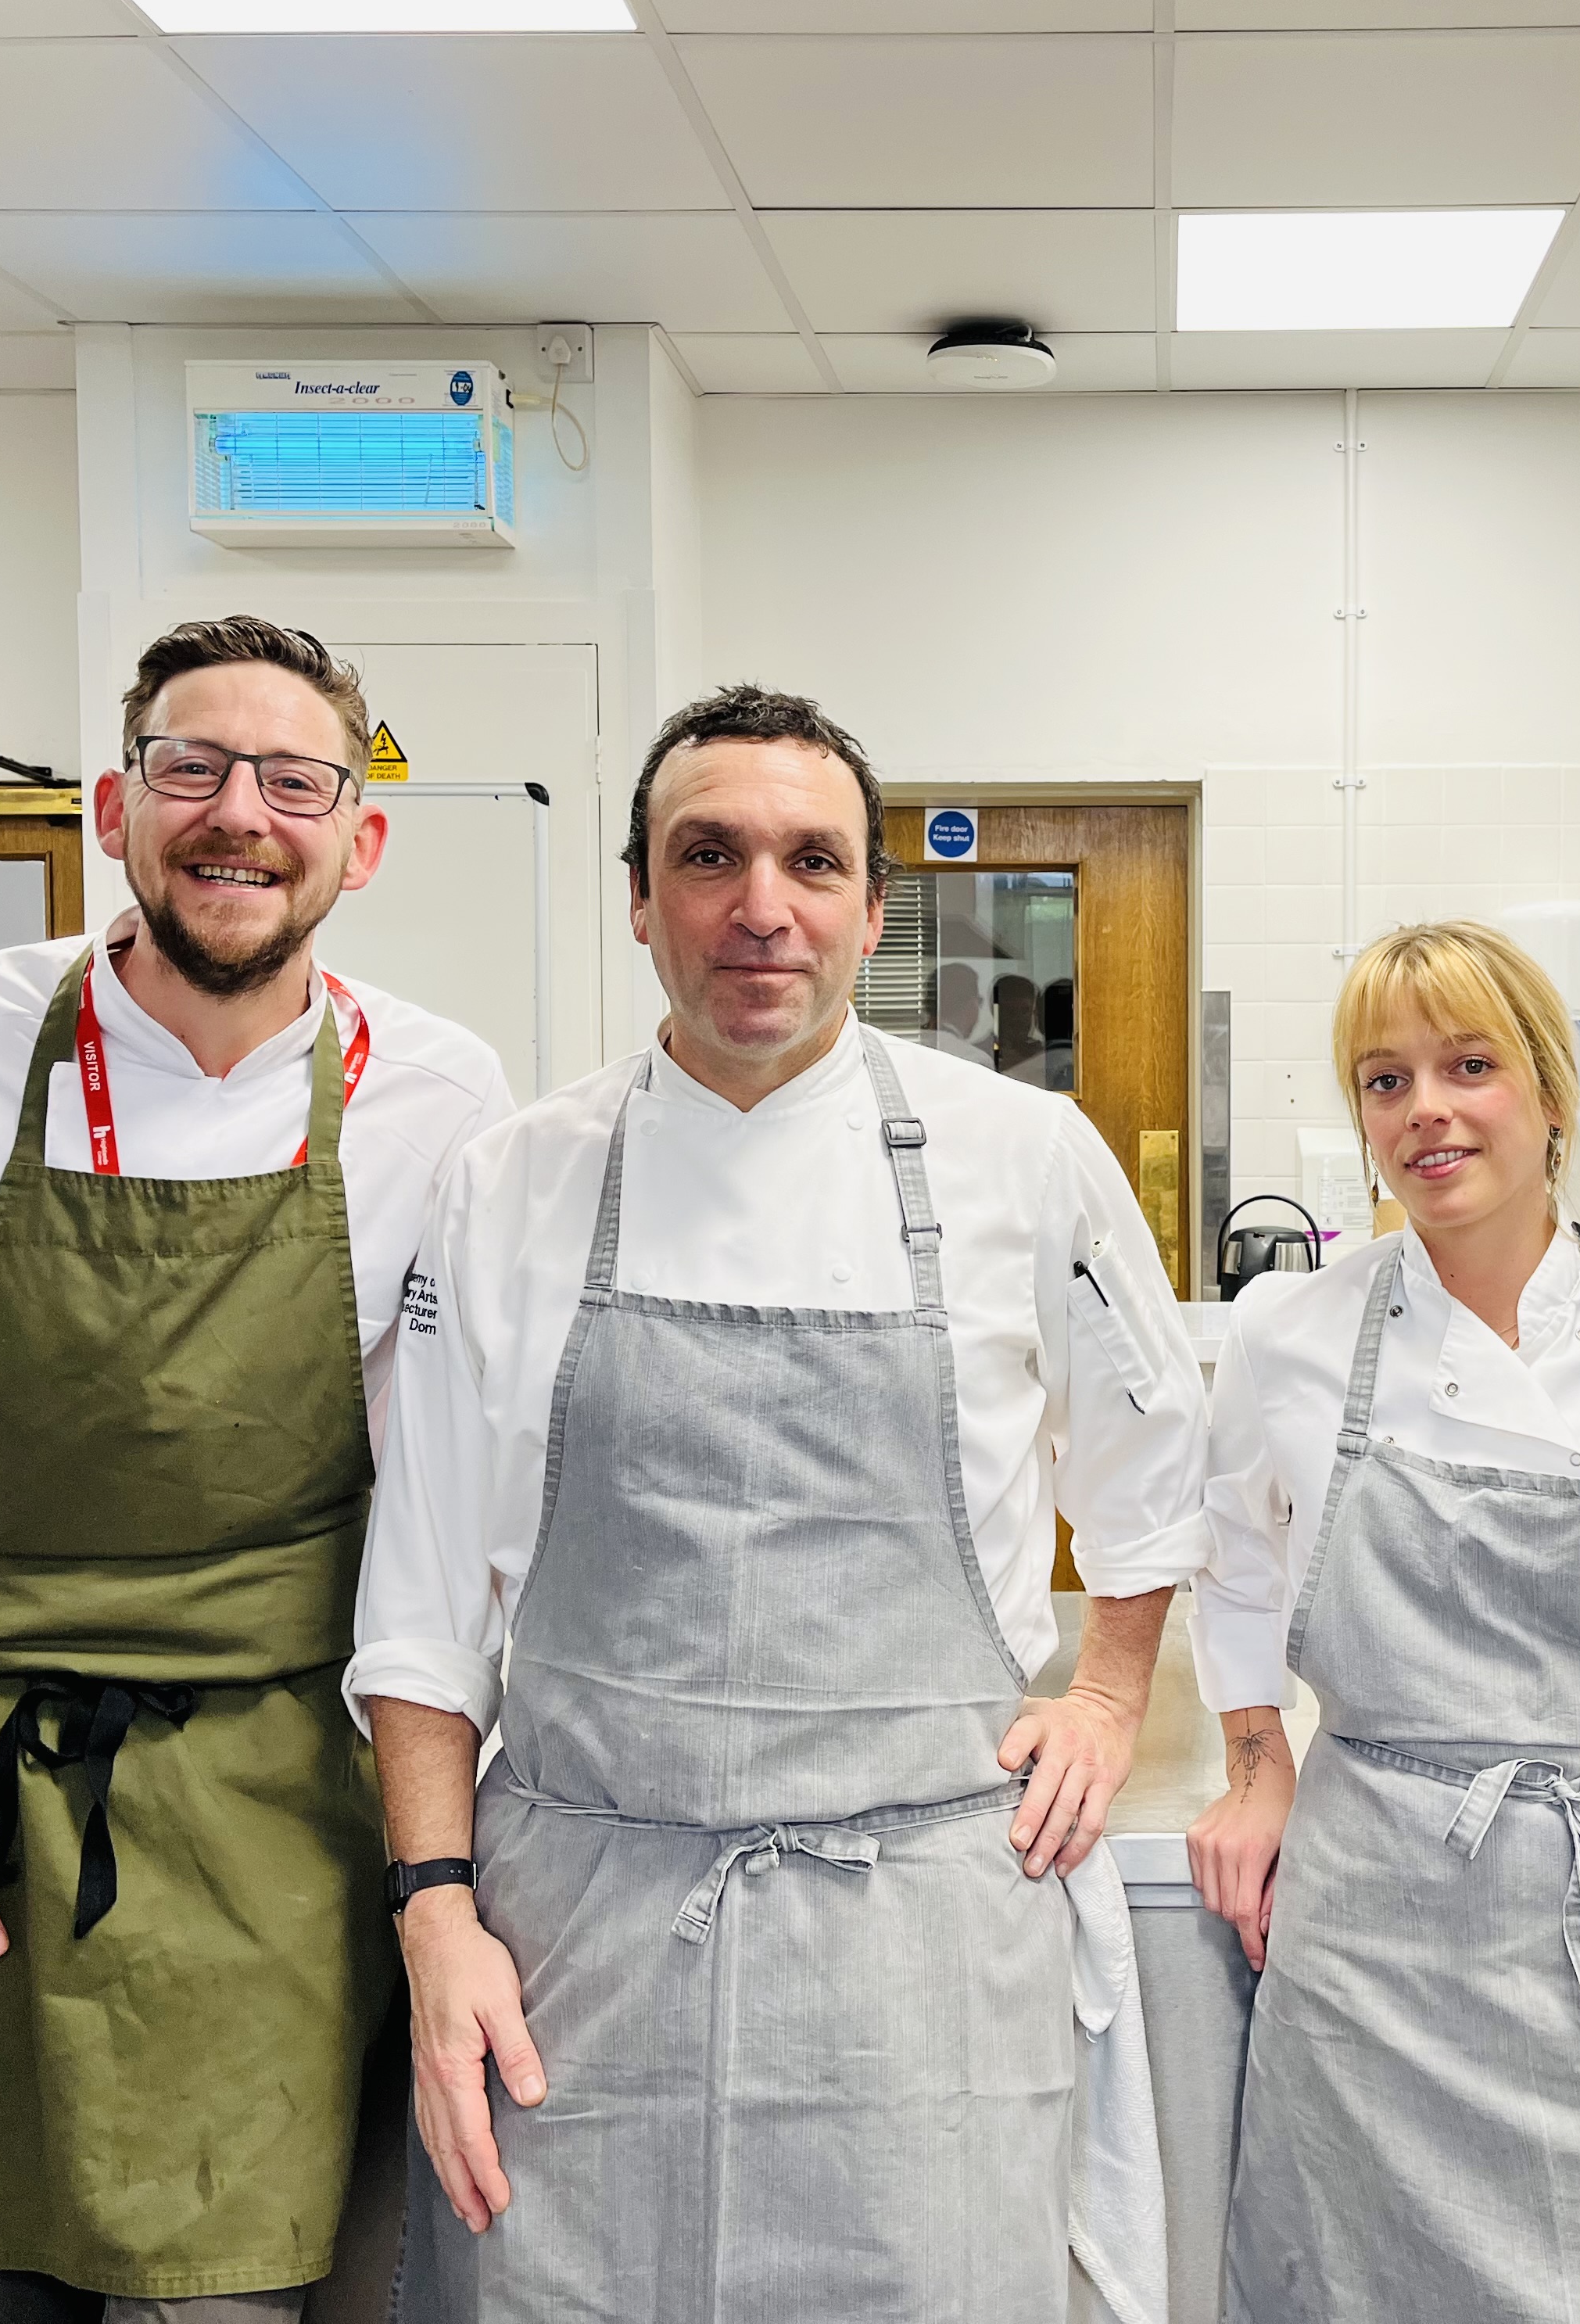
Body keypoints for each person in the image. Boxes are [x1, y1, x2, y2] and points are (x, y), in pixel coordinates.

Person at [352, 681, 1209, 2321]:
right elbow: (421, 1601)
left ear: (873, 908)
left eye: (814, 863)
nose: (763, 909)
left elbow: (1161, 1463)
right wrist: (435, 1910)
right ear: (638, 899)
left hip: (920, 1960)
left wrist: (1108, 1695)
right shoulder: (514, 1180)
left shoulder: (1024, 1158)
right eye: (709, 856)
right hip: (578, 1956)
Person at [0, 618, 511, 2320]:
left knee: (233, 2292)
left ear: (358, 839)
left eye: (296, 780)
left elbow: (443, 1510)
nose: (241, 812)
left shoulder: (444, 1101)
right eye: (193, 768)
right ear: (112, 807)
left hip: (271, 1819)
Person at [1189, 920, 1580, 2322]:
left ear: (1546, 1091)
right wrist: (1256, 1762)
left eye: (1468, 1066)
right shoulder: (1291, 1340)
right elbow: (1228, 1564)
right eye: (1385, 1079)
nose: (1427, 1111)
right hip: (1371, 1951)